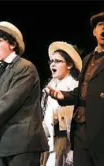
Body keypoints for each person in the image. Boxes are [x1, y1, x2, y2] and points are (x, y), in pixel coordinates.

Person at [0, 21, 48, 166]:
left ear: (12, 45)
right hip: (0, 145)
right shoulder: (3, 69)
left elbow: (8, 104)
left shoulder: (25, 67)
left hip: (21, 145)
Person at [46, 11, 104, 166]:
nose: (103, 29)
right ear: (94, 31)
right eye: (100, 25)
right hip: (80, 129)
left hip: (100, 129)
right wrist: (62, 96)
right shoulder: (88, 59)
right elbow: (82, 91)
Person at [41, 41, 82, 166]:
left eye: (57, 61)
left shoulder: (74, 87)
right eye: (51, 61)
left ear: (69, 65)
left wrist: (73, 150)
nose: (52, 64)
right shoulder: (49, 86)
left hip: (65, 142)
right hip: (49, 141)